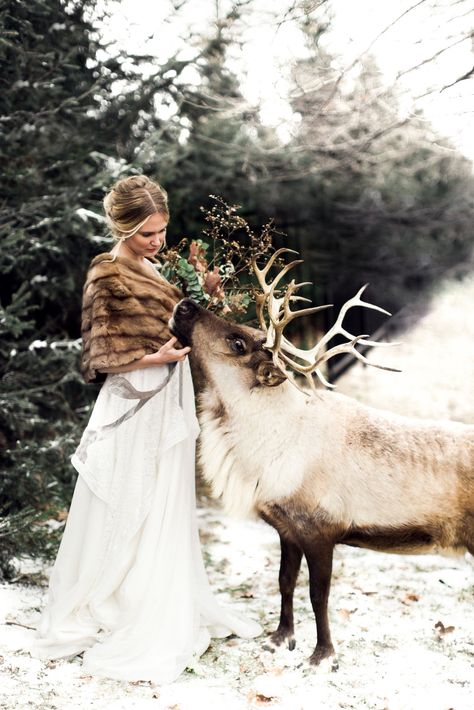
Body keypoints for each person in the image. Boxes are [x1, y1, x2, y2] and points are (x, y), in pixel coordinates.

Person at [30, 175, 261, 684]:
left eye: (161, 231)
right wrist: (150, 357)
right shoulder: (106, 272)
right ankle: (105, 595)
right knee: (123, 496)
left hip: (168, 394)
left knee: (161, 496)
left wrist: (208, 288)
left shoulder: (157, 267)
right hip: (134, 399)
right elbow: (98, 352)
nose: (156, 241)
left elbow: (179, 316)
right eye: (146, 234)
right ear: (122, 226)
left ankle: (150, 589)